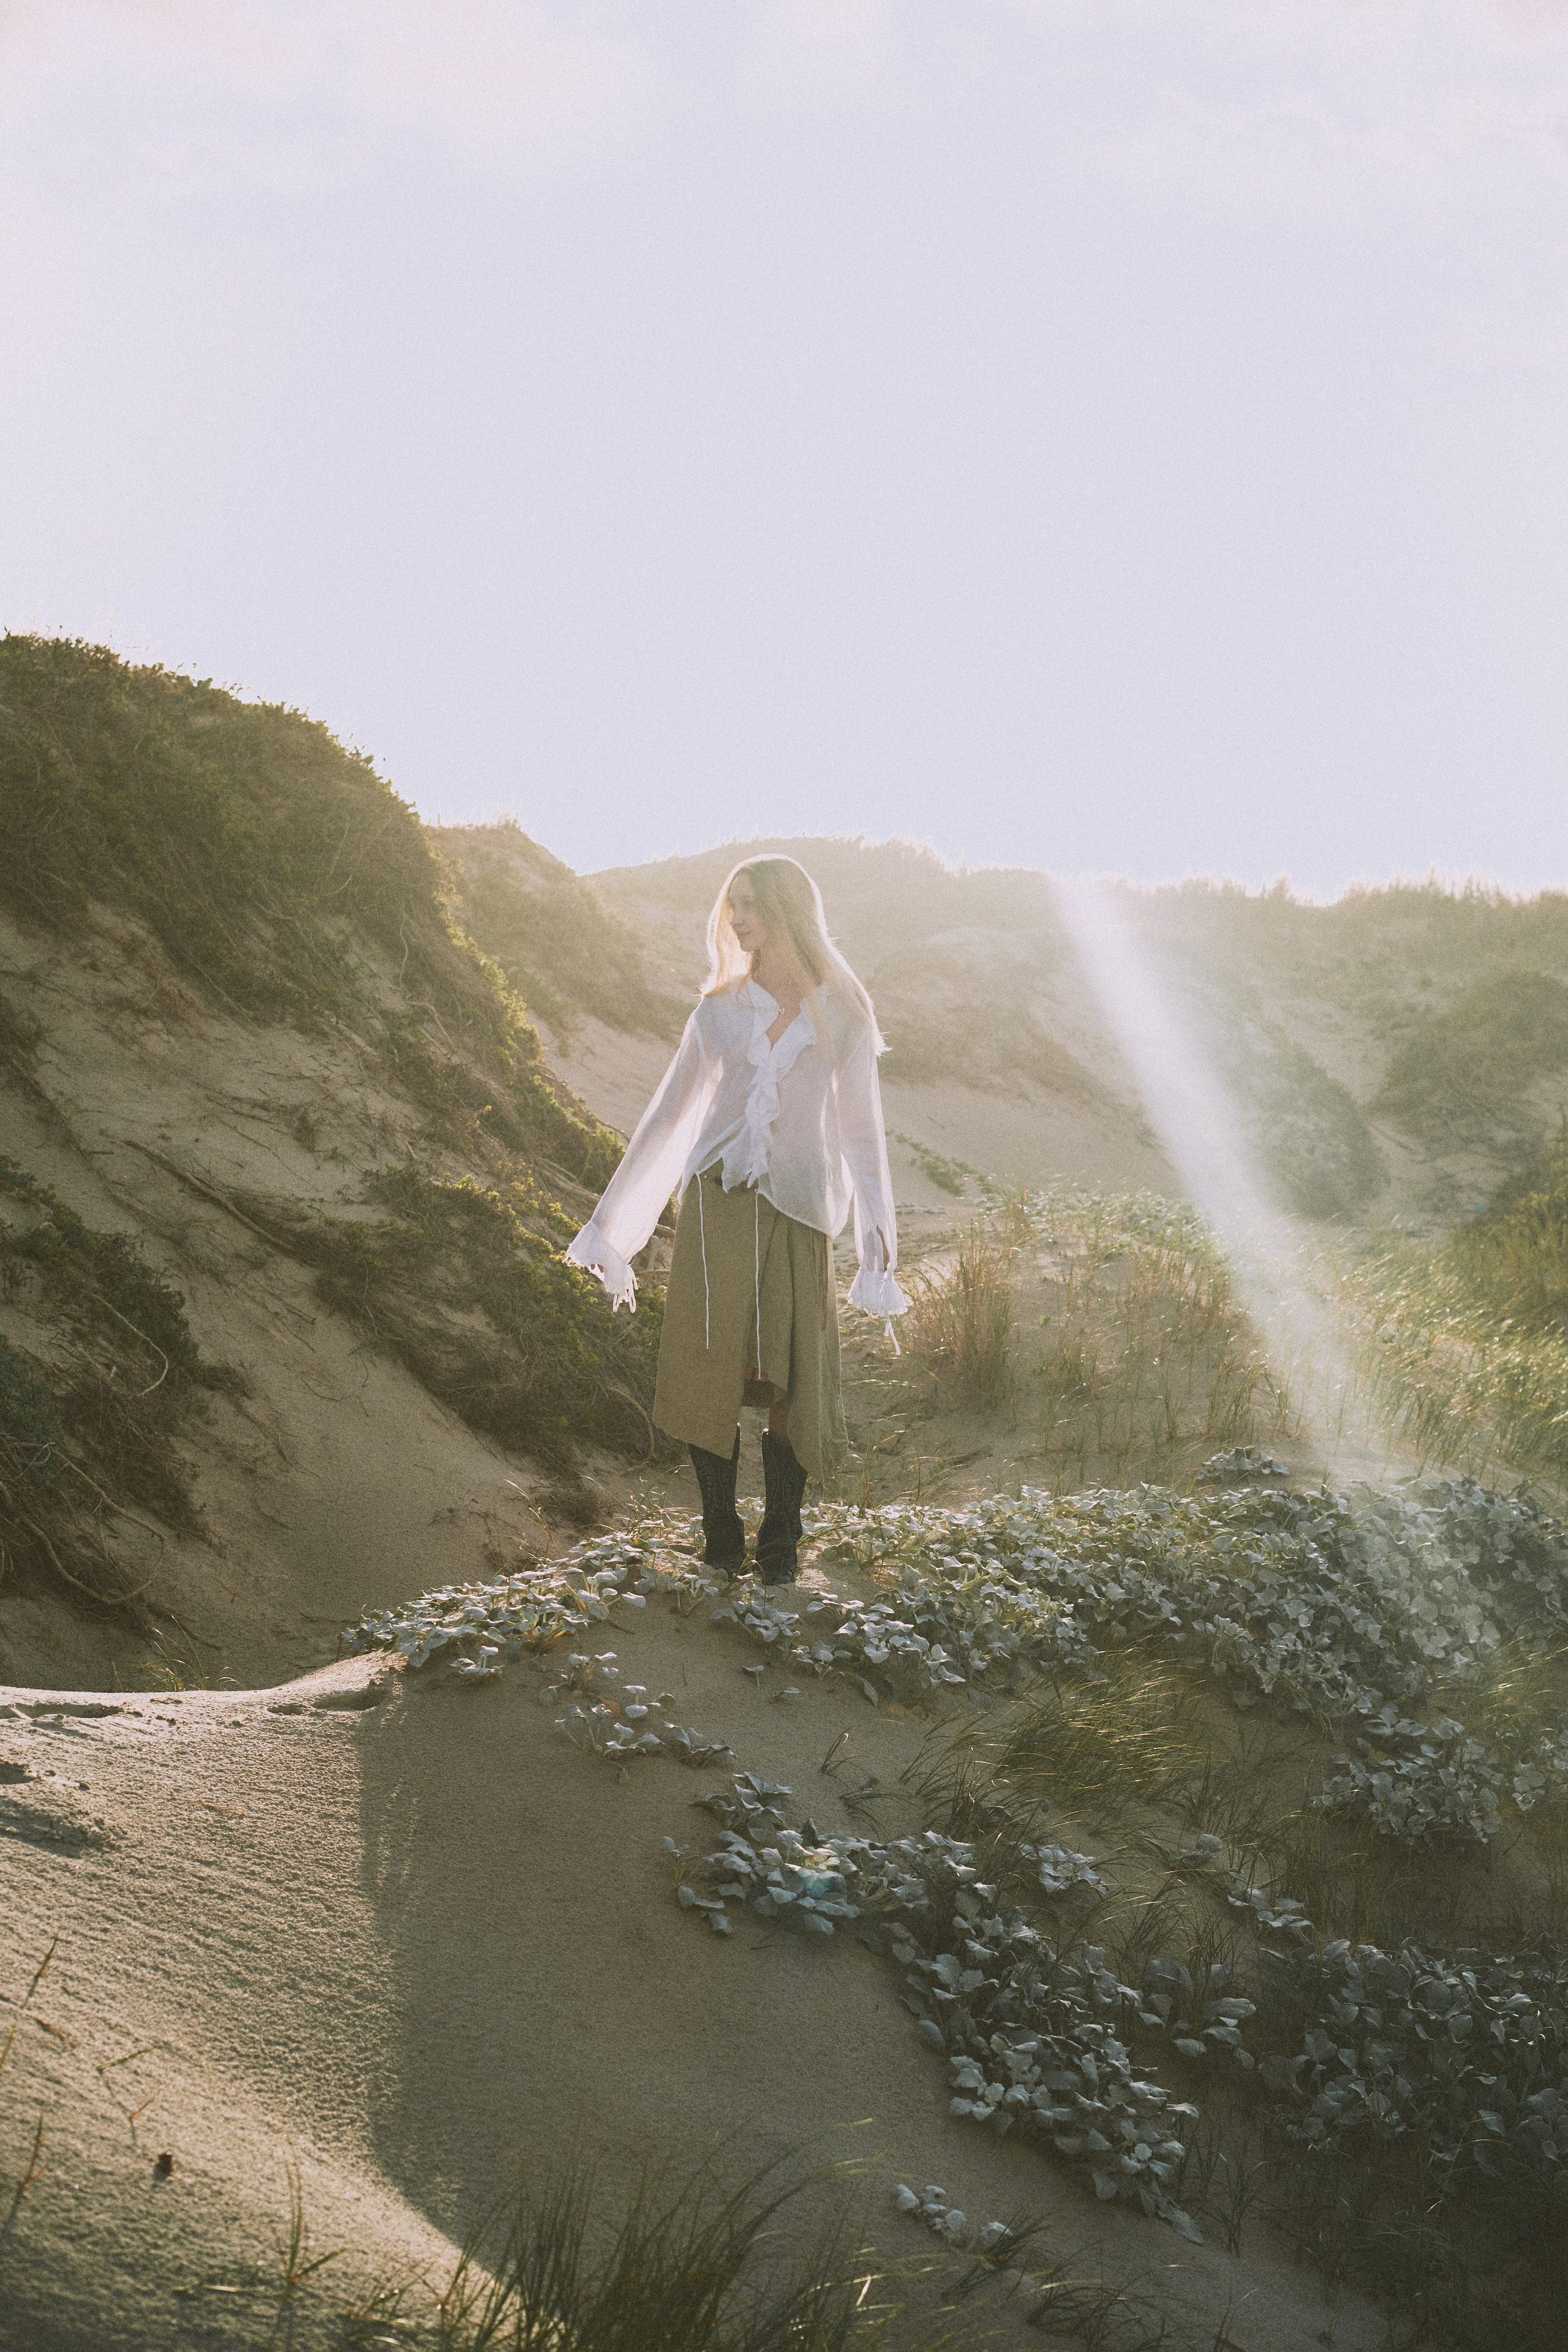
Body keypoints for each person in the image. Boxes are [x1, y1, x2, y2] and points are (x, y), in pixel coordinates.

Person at [567, 854, 907, 1586]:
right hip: (716, 1205)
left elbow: (860, 1131)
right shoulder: (719, 1010)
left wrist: (878, 1241)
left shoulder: (843, 1010)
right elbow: (669, 1116)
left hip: (800, 1211)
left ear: (789, 910)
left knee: (792, 1380)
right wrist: (612, 1226)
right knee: (706, 1370)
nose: (737, 918)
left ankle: (781, 1535)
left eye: (750, 903)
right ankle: (720, 1531)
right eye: (733, 905)